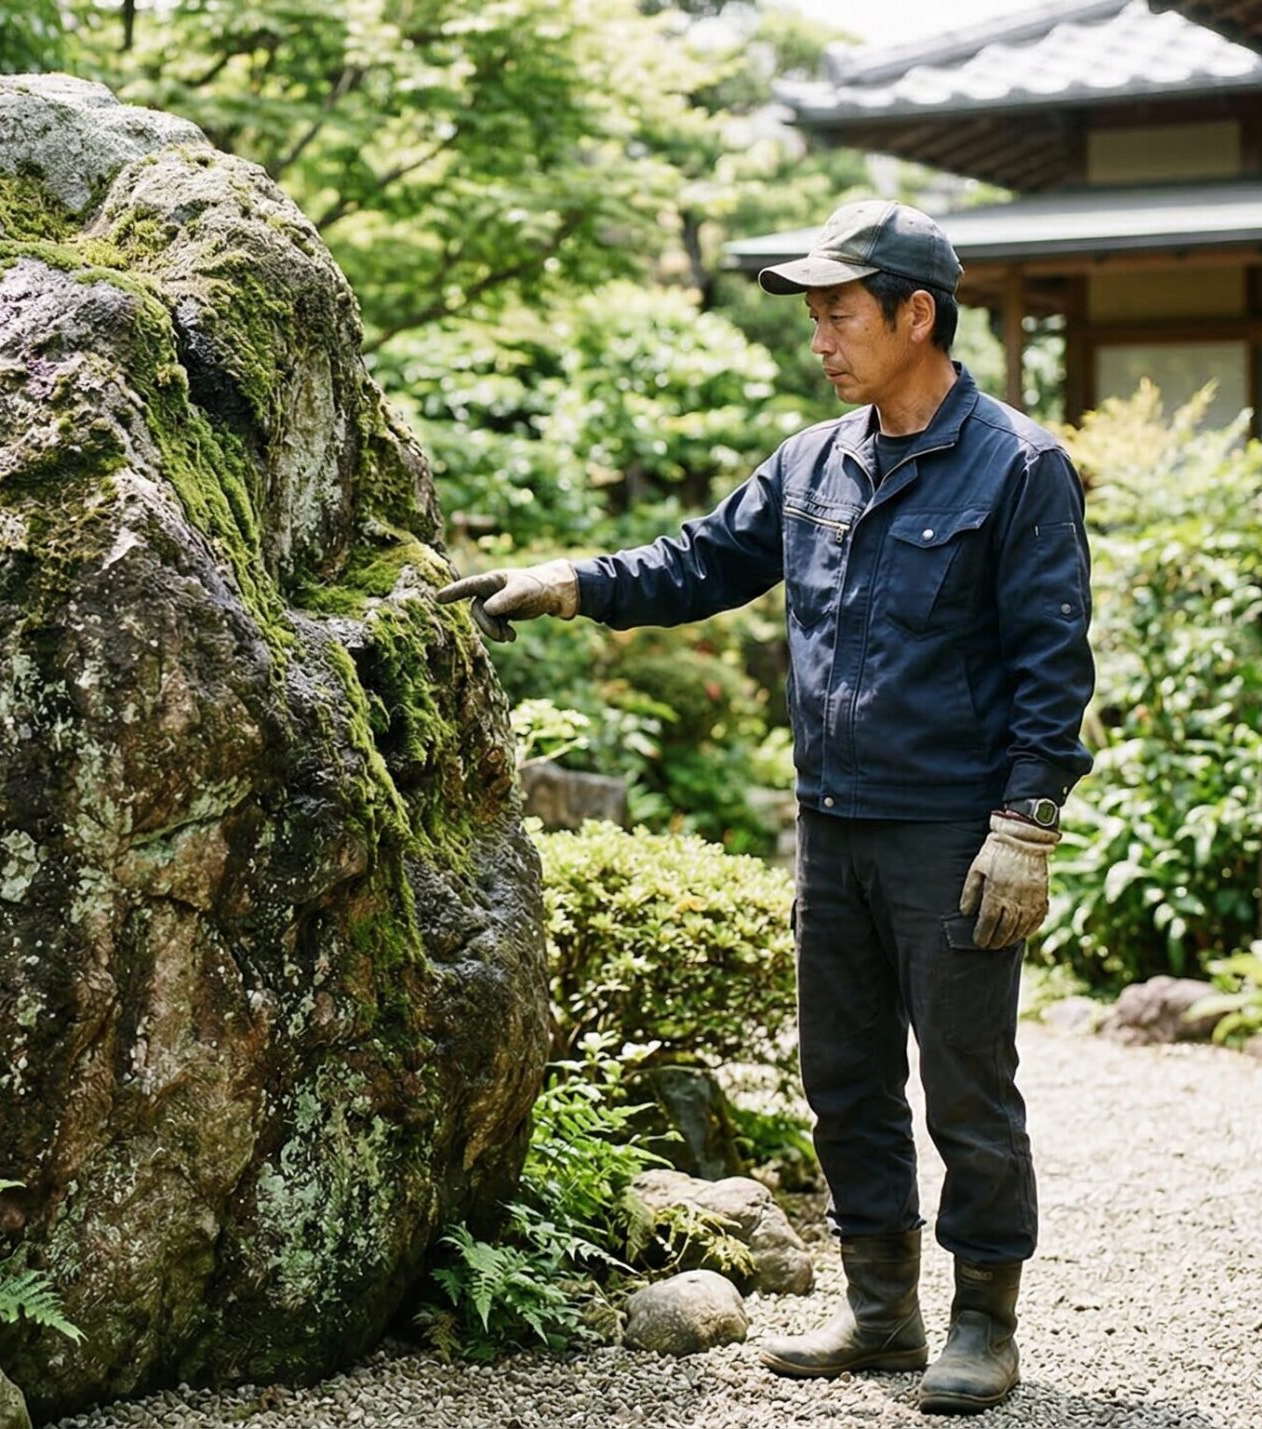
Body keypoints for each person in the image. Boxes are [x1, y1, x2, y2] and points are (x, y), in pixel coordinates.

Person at [437, 199, 1093, 1415]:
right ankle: (881, 1311)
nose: (819, 339)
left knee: (967, 1087)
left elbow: (1052, 663)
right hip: (830, 823)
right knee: (843, 1077)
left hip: (953, 832)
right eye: (813, 317)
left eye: (838, 314)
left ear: (915, 313)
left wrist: (1026, 826)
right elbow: (699, 561)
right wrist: (569, 581)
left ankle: (983, 1324)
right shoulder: (811, 463)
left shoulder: (1018, 466)